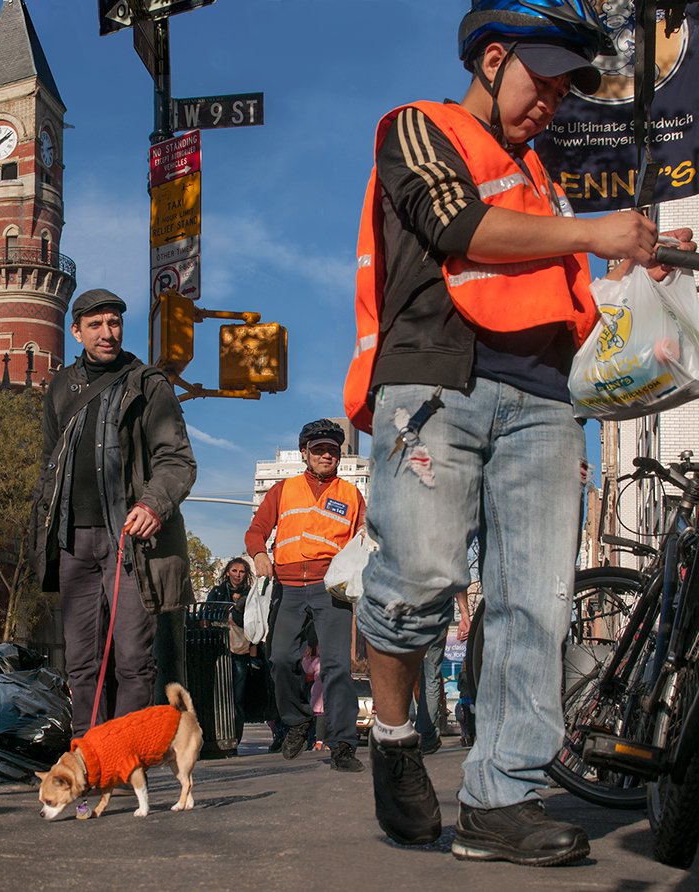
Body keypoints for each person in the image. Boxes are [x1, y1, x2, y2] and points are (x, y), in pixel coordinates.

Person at [349, 0, 695, 866]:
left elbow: (555, 280)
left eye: (565, 90)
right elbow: (455, 226)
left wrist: (625, 264)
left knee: (533, 607)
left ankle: (500, 800)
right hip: (436, 382)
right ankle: (395, 738)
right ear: (493, 58)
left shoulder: (544, 180)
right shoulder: (418, 127)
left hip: (544, 403)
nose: (551, 102)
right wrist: (593, 230)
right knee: (419, 578)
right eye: (541, 81)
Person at [31, 288, 196, 738]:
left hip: (128, 543)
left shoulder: (148, 383)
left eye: (115, 323)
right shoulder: (61, 386)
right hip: (71, 541)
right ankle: (89, 755)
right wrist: (40, 536)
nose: (107, 333)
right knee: (82, 663)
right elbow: (50, 466)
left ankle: (123, 758)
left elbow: (178, 460)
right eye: (96, 324)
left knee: (132, 661)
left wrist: (153, 505)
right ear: (77, 330)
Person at [245, 418, 365, 772]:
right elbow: (256, 531)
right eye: (319, 450)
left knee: (336, 667)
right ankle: (296, 722)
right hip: (289, 587)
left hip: (331, 589)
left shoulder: (351, 494)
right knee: (281, 658)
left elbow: (363, 541)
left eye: (332, 450)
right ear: (305, 454)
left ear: (339, 455)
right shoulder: (283, 489)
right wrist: (260, 554)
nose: (326, 455)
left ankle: (342, 743)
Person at [413, 590, 472, 755]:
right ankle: (425, 734)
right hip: (437, 614)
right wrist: (464, 615)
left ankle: (400, 731)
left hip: (411, 609)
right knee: (431, 675)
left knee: (407, 672)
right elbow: (457, 577)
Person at [212, 558, 254, 753]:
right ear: (227, 572)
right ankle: (217, 740)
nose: (238, 574)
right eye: (234, 570)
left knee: (236, 699)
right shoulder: (218, 592)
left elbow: (257, 621)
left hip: (241, 651)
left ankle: (233, 742)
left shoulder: (251, 594)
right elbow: (208, 614)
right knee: (219, 697)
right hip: (219, 650)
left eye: (242, 571)